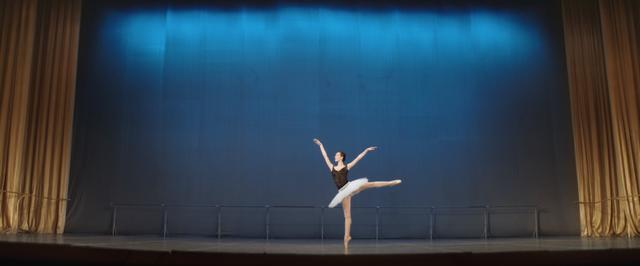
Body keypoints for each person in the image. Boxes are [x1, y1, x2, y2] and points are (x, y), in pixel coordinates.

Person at [313, 138, 401, 246]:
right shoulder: (332, 167)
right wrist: (321, 145)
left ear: (341, 157)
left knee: (371, 184)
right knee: (347, 216)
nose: (335, 156)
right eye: (335, 155)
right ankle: (347, 237)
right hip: (343, 192)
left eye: (337, 155)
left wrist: (366, 150)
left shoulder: (346, 166)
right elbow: (325, 156)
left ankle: (390, 183)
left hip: (350, 187)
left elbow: (358, 158)